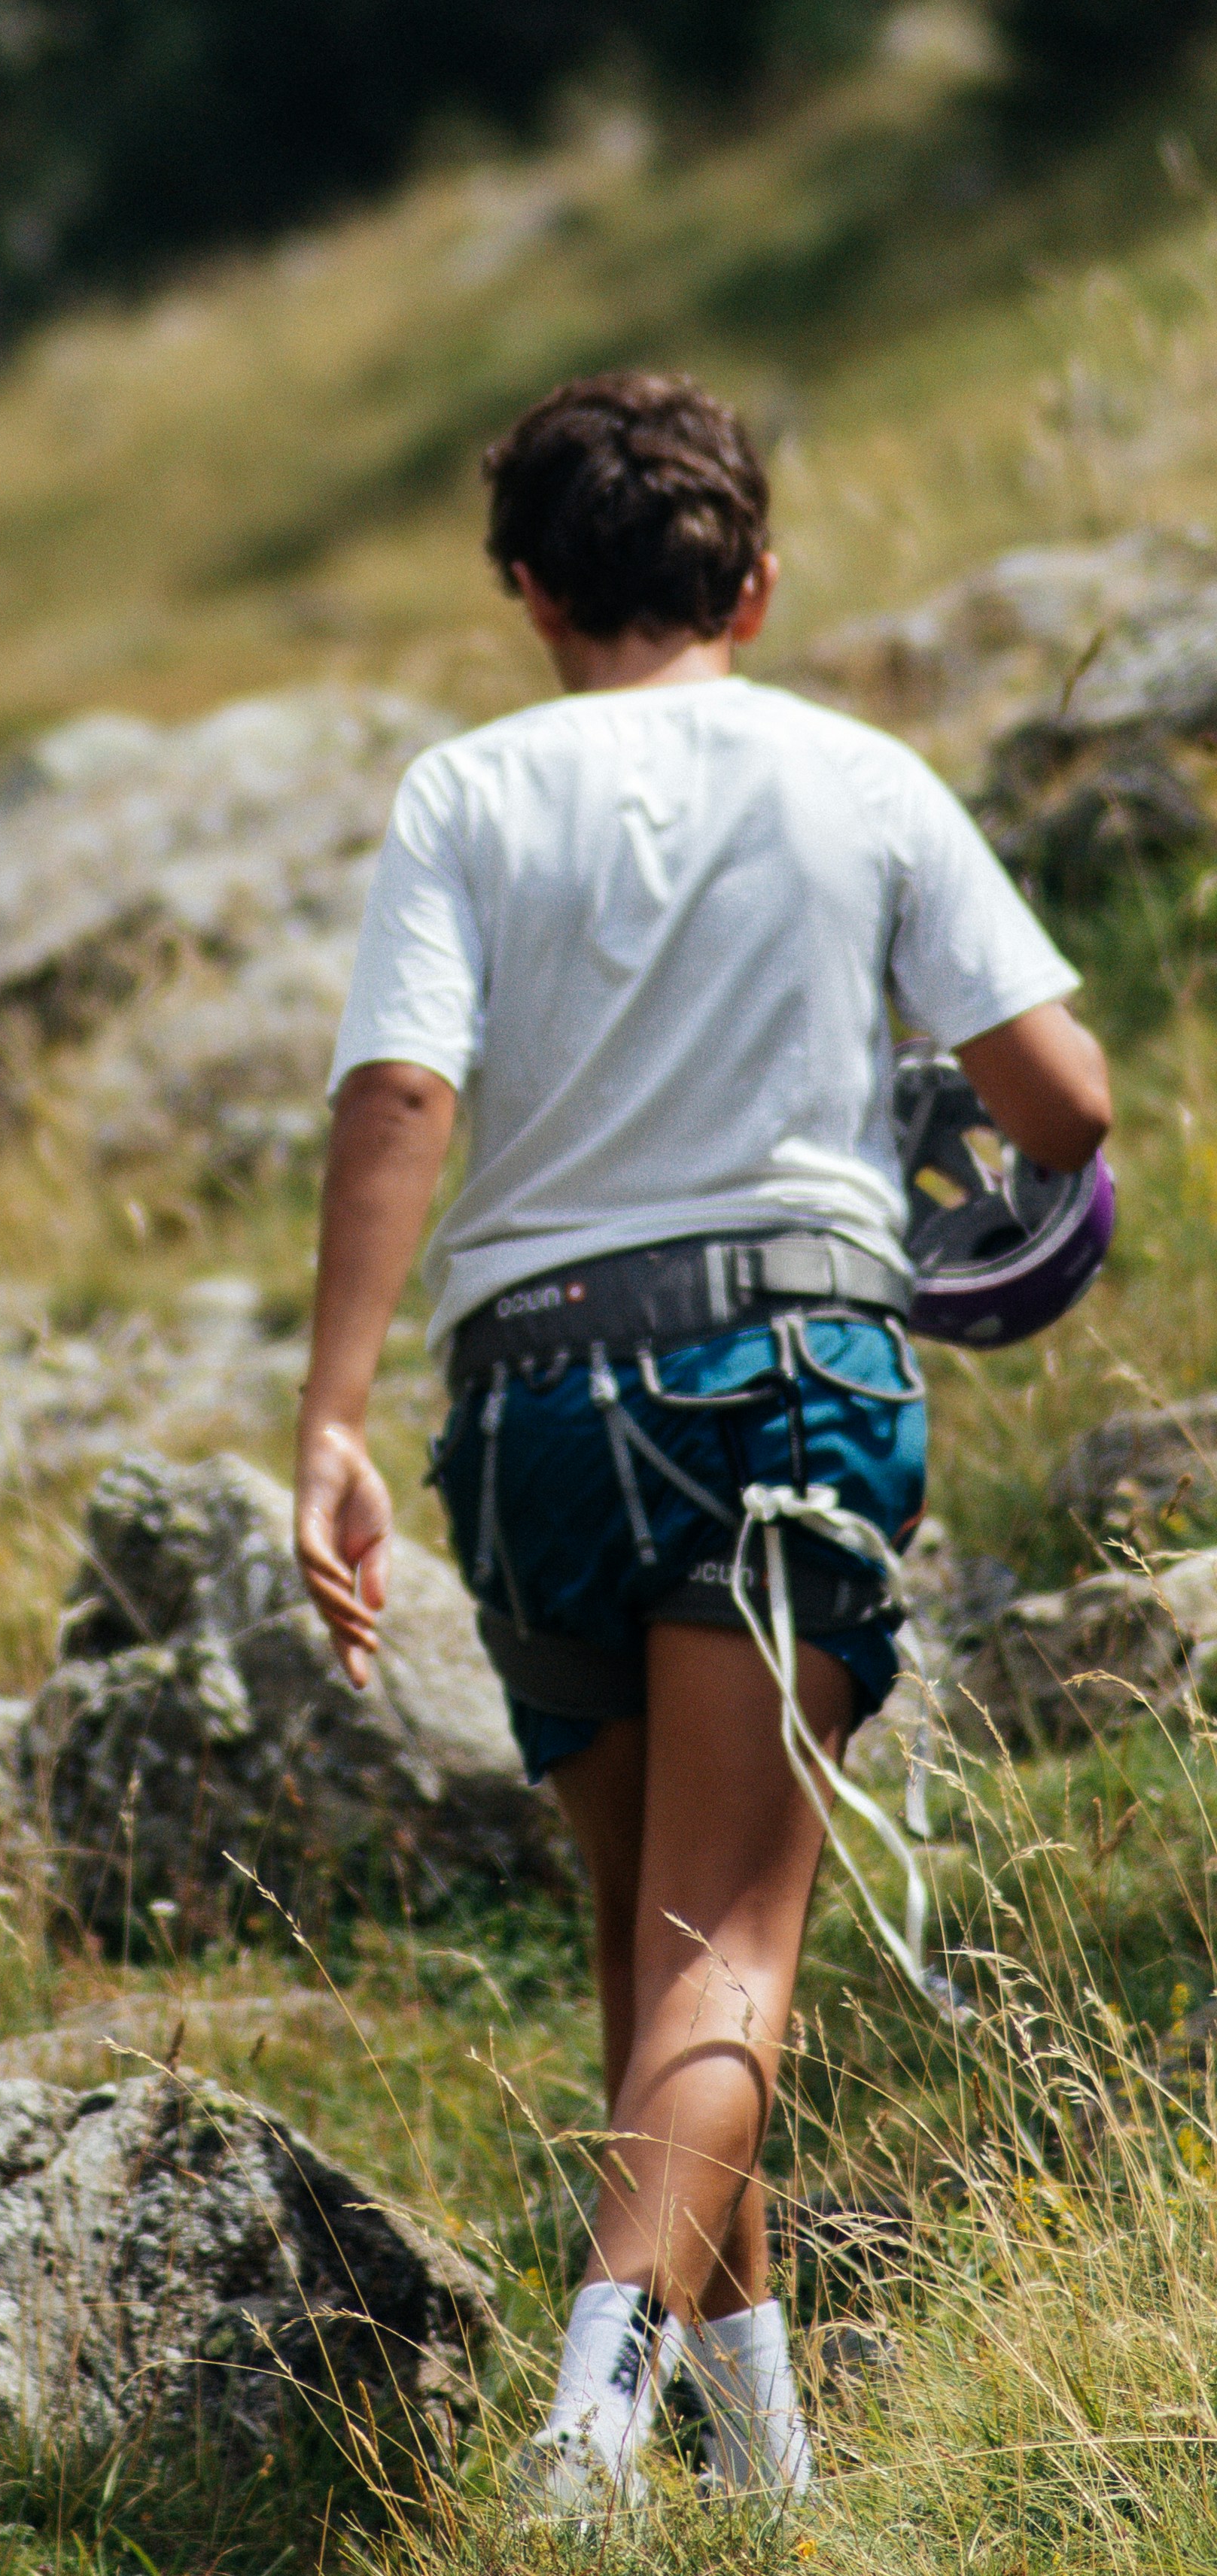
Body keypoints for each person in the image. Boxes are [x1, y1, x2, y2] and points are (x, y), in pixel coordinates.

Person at [293, 371, 1110, 2520]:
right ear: (754, 580)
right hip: (783, 1386)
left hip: (536, 1404)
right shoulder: (863, 780)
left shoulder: (466, 793)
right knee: (736, 1955)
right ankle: (591, 2434)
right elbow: (1069, 1105)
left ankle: (766, 2485)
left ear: (532, 589)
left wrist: (326, 1421)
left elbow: (399, 1099)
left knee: (653, 1961)